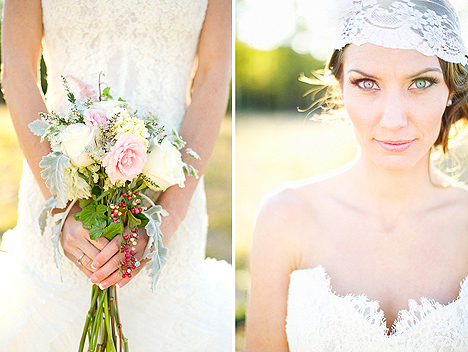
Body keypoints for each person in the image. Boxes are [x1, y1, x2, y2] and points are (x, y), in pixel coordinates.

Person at [0, 0, 232, 351]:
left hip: (169, 189)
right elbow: (17, 67)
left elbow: (213, 78)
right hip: (58, 179)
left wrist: (163, 223)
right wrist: (61, 205)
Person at [245, 0, 468, 351]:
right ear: (340, 87)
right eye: (367, 83)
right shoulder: (285, 216)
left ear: (450, 90)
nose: (393, 119)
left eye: (422, 82)